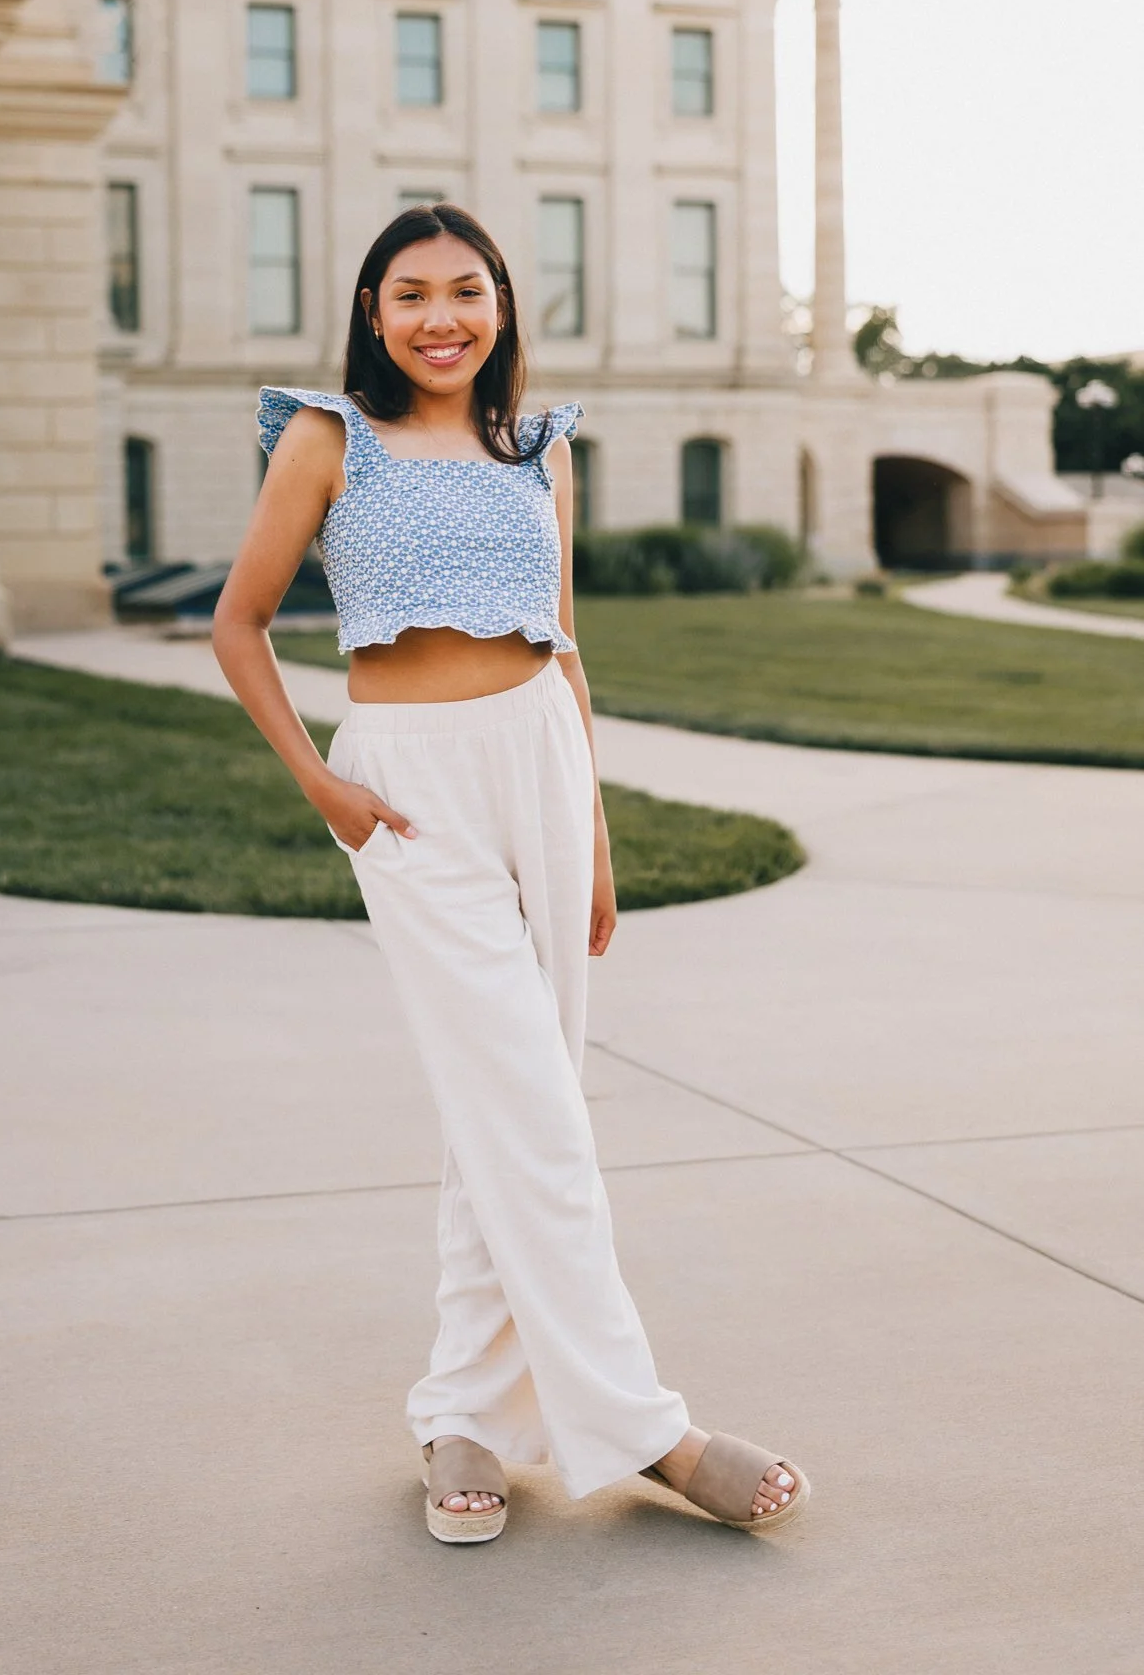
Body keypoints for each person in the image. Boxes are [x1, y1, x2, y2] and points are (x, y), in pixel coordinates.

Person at [212, 204, 808, 1545]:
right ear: (372, 312)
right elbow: (238, 622)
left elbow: (567, 642)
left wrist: (591, 837)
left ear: (500, 307)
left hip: (539, 760)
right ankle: (651, 1428)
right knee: (533, 1110)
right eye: (411, 293)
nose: (441, 317)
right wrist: (324, 787)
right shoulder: (327, 437)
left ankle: (462, 1418)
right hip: (407, 788)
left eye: (466, 291)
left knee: (508, 1107)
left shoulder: (537, 446)